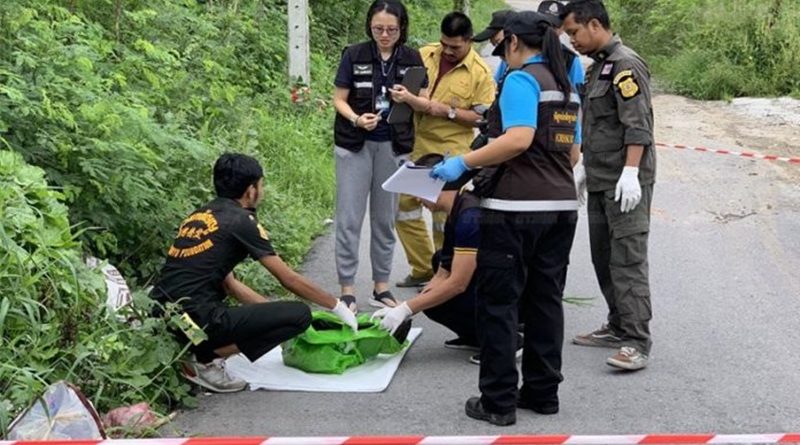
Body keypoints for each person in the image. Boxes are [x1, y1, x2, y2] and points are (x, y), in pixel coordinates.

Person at [432, 11, 582, 426]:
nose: (502, 56)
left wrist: (462, 161)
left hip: (513, 212)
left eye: (502, 47)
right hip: (561, 210)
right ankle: (542, 393)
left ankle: (497, 401)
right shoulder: (567, 87)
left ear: (513, 42)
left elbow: (518, 138)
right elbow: (572, 155)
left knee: (500, 305)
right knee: (545, 301)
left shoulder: (521, 80)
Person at [150, 153, 357, 393]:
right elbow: (288, 278)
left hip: (168, 317)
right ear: (251, 190)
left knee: (282, 314)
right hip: (198, 320)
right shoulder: (242, 220)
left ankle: (193, 348)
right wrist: (336, 306)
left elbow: (230, 285)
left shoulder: (199, 215)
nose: (262, 190)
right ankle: (205, 360)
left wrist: (269, 318)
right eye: (261, 184)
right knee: (300, 314)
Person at [561, 0, 656, 371]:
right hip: (601, 180)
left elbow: (637, 126)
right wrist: (584, 164)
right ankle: (618, 325)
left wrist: (631, 172)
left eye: (574, 32)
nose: (572, 41)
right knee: (604, 257)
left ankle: (636, 340)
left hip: (625, 183)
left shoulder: (626, 65)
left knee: (627, 259)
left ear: (595, 24)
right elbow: (597, 124)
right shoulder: (598, 67)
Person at [372, 154, 523, 364]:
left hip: (513, 283)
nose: (417, 200)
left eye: (418, 193)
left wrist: (407, 308)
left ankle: (507, 340)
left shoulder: (470, 216)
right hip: (501, 274)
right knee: (436, 273)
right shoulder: (457, 208)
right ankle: (477, 335)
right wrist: (407, 308)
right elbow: (443, 271)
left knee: (454, 290)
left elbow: (458, 284)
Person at [332, 1, 428, 311]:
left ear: (402, 28)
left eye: (391, 29)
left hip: (393, 145)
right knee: (349, 218)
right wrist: (356, 119)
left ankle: (381, 287)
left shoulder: (412, 58)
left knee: (385, 220)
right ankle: (347, 289)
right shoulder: (354, 54)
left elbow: (424, 102)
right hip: (354, 146)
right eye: (378, 29)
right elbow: (339, 99)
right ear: (369, 26)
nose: (384, 35)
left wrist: (408, 97)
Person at [394, 12, 495, 289]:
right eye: (444, 45)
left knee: (443, 217)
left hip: (450, 151)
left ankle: (445, 271)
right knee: (403, 209)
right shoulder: (425, 54)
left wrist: (446, 111)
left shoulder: (480, 73)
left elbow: (482, 119)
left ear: (469, 41)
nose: (448, 51)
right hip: (416, 144)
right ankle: (423, 267)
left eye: (455, 47)